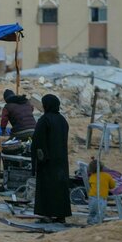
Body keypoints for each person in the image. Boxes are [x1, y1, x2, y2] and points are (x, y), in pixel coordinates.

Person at [31, 94, 72, 222]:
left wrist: (38, 158)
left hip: (47, 162)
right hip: (61, 160)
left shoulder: (45, 120)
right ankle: (61, 215)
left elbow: (38, 141)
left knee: (47, 188)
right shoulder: (62, 120)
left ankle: (47, 214)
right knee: (60, 188)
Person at [86, 159, 116, 225]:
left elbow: (91, 184)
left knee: (92, 212)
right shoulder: (107, 175)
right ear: (102, 167)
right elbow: (112, 186)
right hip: (101, 198)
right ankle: (96, 224)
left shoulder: (92, 177)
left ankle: (90, 222)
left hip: (92, 197)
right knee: (100, 213)